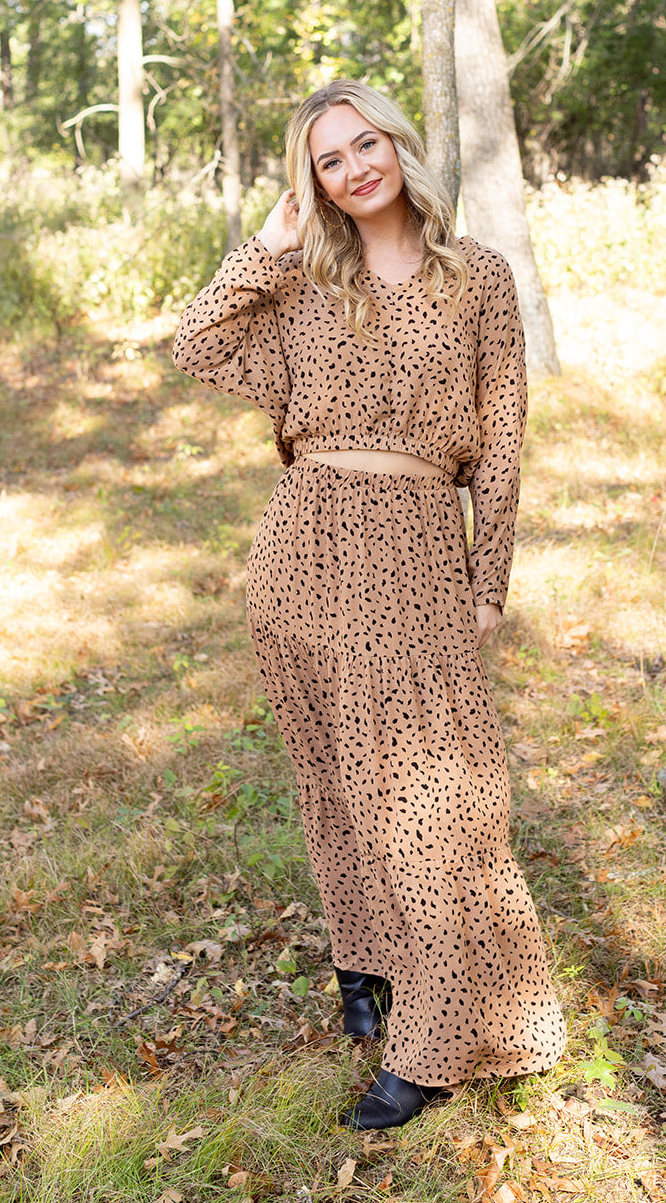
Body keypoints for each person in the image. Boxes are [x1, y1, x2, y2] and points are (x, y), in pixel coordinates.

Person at [172, 80, 565, 1130]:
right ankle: (366, 967)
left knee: (430, 793)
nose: (355, 169)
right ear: (313, 185)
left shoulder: (475, 277)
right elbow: (193, 343)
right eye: (327, 161)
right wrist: (271, 236)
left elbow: (504, 437)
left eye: (365, 145)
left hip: (413, 545)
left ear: (398, 144)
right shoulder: (300, 283)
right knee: (334, 780)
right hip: (301, 545)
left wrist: (490, 580)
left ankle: (438, 1040)